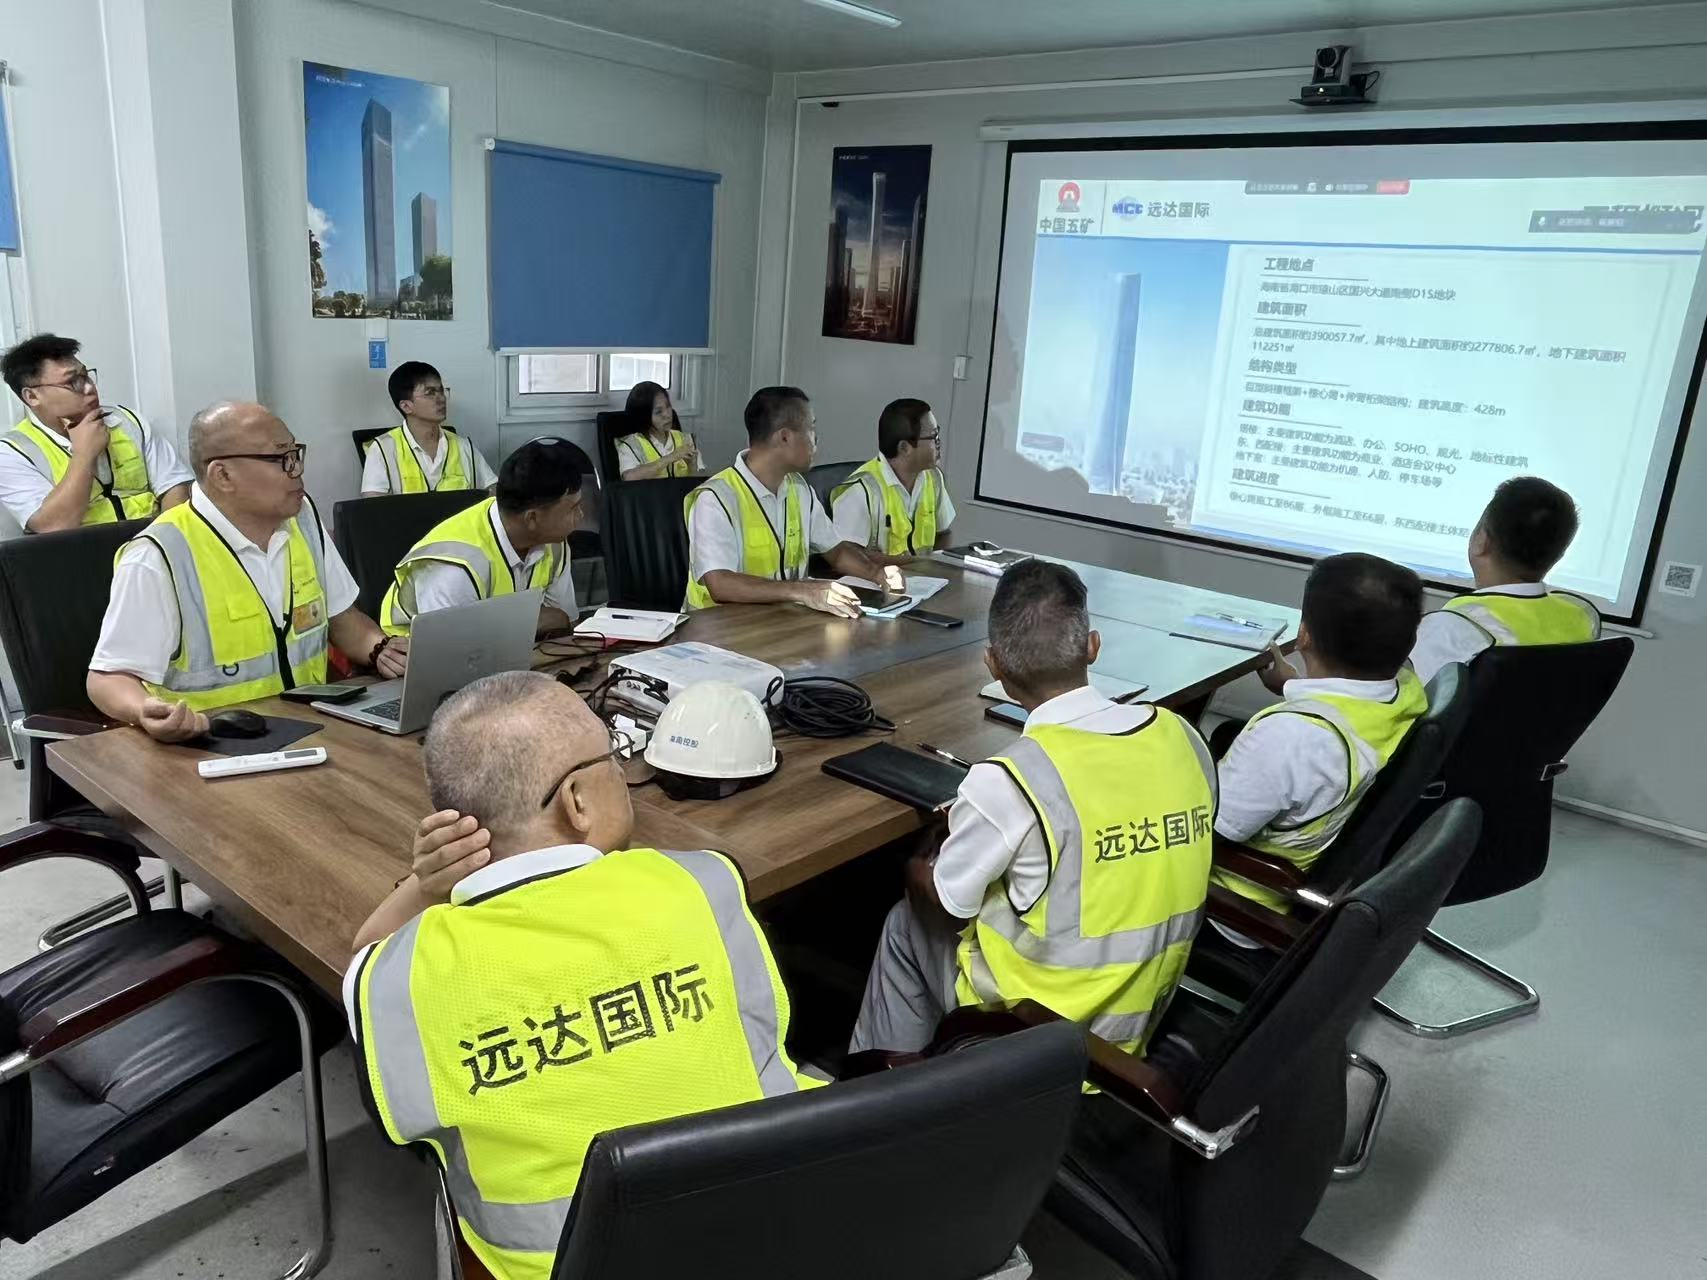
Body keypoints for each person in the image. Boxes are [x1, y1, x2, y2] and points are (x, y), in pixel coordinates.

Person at [347, 671, 816, 1280]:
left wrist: (423, 885)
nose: (623, 770)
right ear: (576, 801)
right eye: (613, 757)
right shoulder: (702, 884)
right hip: (775, 1227)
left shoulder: (400, 975)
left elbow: (366, 961)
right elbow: (761, 1038)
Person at [849, 560, 1217, 1056]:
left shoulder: (1011, 780)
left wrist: (918, 866)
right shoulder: (1183, 736)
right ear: (1093, 647)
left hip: (1033, 1036)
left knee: (904, 921)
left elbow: (949, 900)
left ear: (993, 665)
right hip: (1139, 1021)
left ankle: (885, 1086)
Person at [86, 401, 405, 743]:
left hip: (313, 731)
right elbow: (108, 678)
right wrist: (144, 711)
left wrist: (382, 649)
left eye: (296, 454)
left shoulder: (302, 517)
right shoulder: (160, 555)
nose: (297, 470)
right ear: (222, 475)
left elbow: (342, 619)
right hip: (209, 746)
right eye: (281, 459)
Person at [1213, 553, 1426, 912]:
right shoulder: (1406, 688)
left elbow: (1201, 832)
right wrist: (1294, 686)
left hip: (1239, 900)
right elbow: (1342, 715)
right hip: (1321, 851)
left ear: (1304, 635)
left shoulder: (1287, 737)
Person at [685, 386, 901, 615]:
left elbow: (836, 551)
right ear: (785, 437)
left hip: (781, 620)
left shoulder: (798, 489)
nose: (816, 438)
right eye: (812, 428)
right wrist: (802, 591)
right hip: (720, 627)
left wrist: (878, 574)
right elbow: (720, 583)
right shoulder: (716, 498)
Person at [382, 437, 583, 637]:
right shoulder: (454, 567)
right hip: (408, 649)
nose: (581, 515)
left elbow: (564, 622)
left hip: (509, 645)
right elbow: (450, 647)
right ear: (532, 518)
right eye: (573, 509)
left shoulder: (551, 540)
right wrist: (530, 621)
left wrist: (536, 622)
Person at [1409, 476, 1600, 684]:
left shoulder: (1453, 627)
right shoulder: (1584, 616)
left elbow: (1403, 696)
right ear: (1559, 556)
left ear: (1481, 541)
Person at [0, 333, 192, 532]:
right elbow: (53, 526)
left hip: (149, 540)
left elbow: (175, 487)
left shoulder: (128, 421)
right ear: (32, 396)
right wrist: (84, 455)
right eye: (72, 382)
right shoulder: (13, 452)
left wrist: (161, 540)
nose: (89, 388)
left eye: (86, 376)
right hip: (80, 549)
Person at [830, 397, 955, 561]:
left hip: (923, 575)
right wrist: (916, 564)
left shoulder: (933, 478)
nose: (939, 442)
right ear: (904, 447)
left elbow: (944, 533)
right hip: (878, 577)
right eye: (934, 436)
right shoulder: (861, 490)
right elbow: (849, 557)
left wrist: (936, 566)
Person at [360, 360, 498, 496]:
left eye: (441, 391)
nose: (441, 398)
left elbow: (494, 491)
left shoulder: (464, 447)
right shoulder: (383, 449)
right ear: (406, 406)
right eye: (430, 393)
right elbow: (373, 505)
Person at [615, 380, 702, 479]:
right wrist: (670, 457)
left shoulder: (685, 439)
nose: (667, 414)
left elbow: (700, 481)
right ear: (644, 417)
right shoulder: (630, 445)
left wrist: (692, 466)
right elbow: (629, 477)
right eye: (658, 412)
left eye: (668, 406)